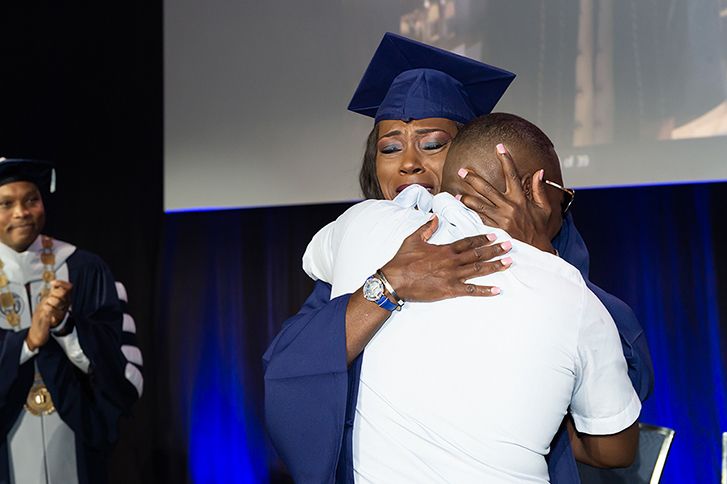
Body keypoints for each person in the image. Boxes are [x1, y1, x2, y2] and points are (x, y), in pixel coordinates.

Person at [264, 33, 653, 483]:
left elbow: (619, 386)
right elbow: (293, 372)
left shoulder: (559, 257)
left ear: (470, 163)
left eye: (431, 144)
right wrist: (388, 284)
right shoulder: (361, 246)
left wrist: (535, 252)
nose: (408, 163)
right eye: (390, 147)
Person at [0, 158, 139, 484]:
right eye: (6, 204)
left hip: (75, 432)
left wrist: (65, 326)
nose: (21, 212)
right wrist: (27, 342)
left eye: (31, 200)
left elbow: (119, 364)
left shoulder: (85, 268)